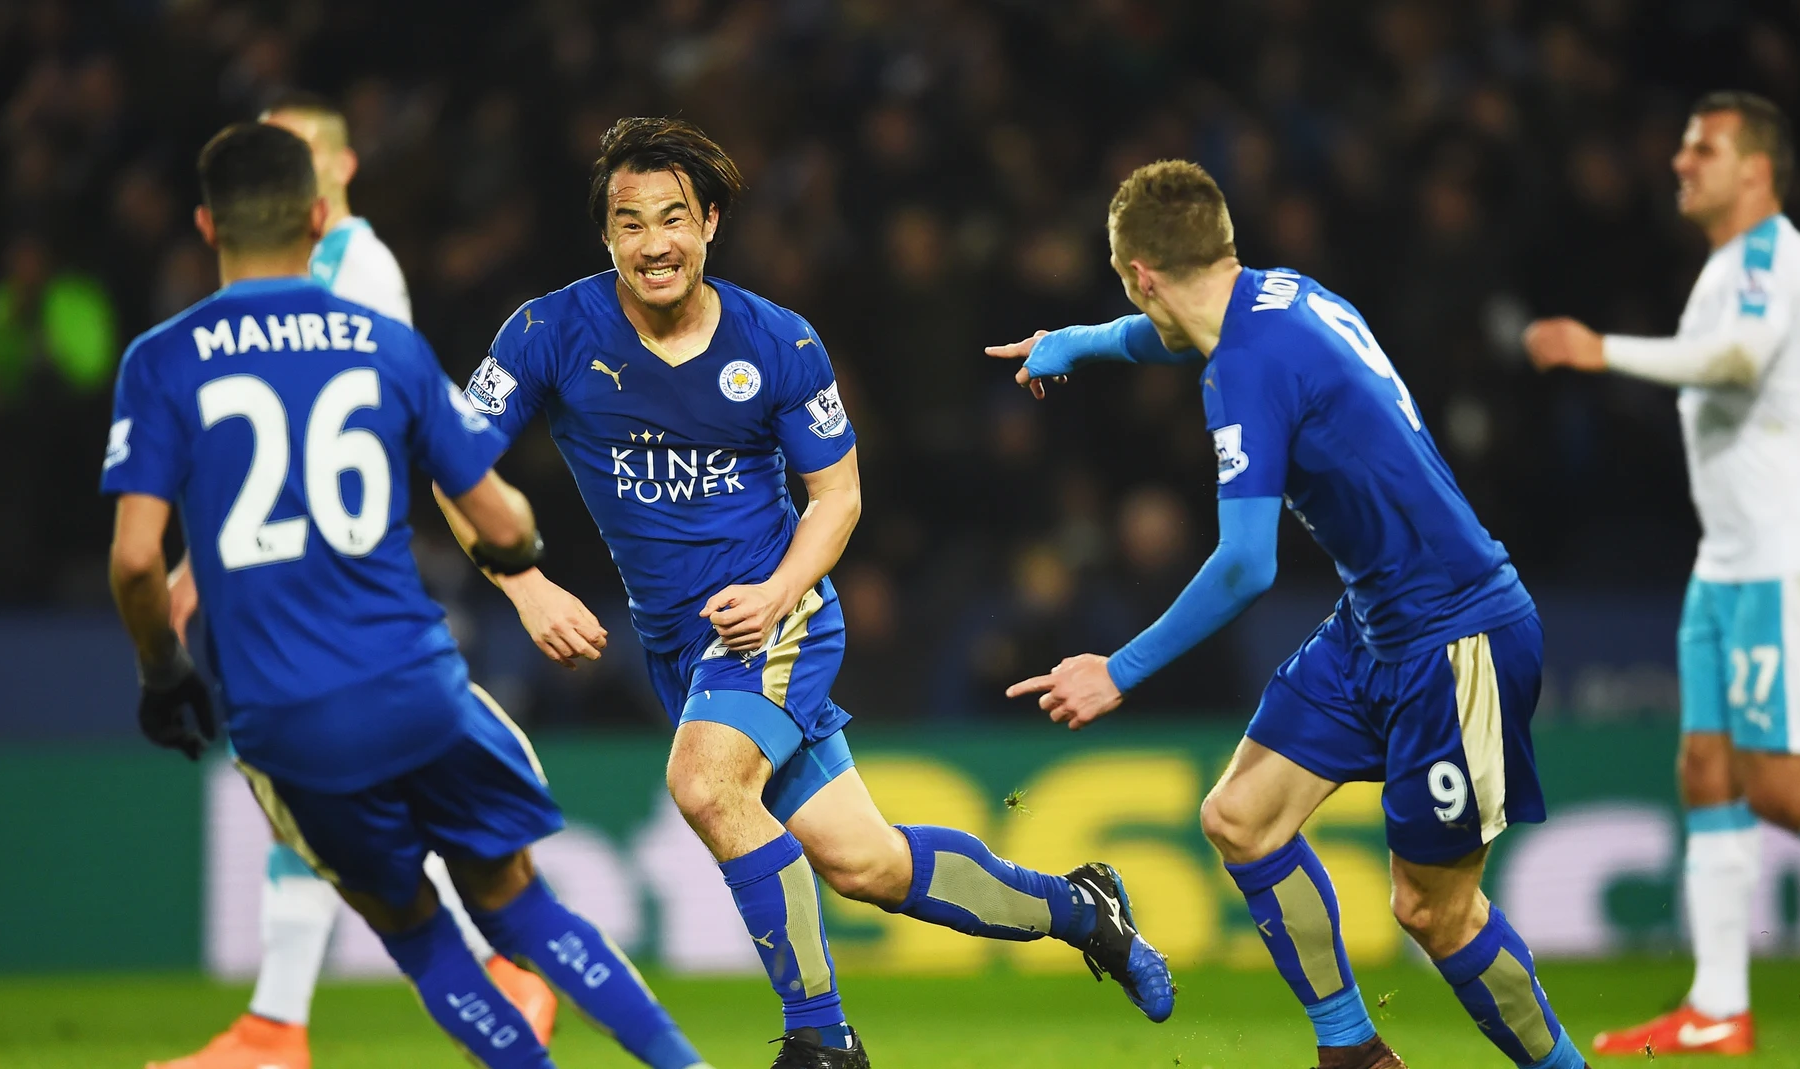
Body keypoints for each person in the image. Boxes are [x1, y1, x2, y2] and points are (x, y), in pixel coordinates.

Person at [446, 116, 1174, 1069]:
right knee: (865, 863)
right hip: (679, 644)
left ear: (710, 222)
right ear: (607, 235)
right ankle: (1085, 909)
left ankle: (823, 1042)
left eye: (673, 218)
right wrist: (525, 584)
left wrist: (778, 587)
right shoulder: (549, 331)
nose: (654, 243)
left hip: (776, 616)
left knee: (705, 784)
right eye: (630, 222)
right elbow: (452, 460)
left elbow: (839, 497)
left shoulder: (779, 341)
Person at [104, 121, 707, 1069]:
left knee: (419, 933)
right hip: (413, 685)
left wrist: (162, 671)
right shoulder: (383, 344)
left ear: (206, 226)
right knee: (523, 907)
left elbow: (137, 559)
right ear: (317, 217)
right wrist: (519, 552)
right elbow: (498, 514)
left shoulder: (162, 359)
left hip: (286, 714)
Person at [991, 160, 1590, 1069]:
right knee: (1241, 817)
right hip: (1376, 621)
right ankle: (1353, 1050)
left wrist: (1117, 669)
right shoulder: (1281, 296)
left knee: (1434, 910)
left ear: (1140, 274)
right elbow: (1170, 335)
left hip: (1457, 634)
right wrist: (1075, 342)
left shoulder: (1244, 370)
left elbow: (1245, 565)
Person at [152, 94, 556, 1069]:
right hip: (299, 570)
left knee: (348, 784)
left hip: (338, 577)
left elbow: (347, 422)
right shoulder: (305, 273)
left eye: (293, 153)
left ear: (339, 170)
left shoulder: (358, 266)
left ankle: (497, 973)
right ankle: (282, 1024)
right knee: (317, 798)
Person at [1526, 91, 1800, 1057]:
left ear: (1755, 169)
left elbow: (1736, 362)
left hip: (1786, 554)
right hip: (1726, 561)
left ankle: (1721, 1004)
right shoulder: (1727, 267)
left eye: (1704, 148)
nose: (1682, 162)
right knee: (1705, 768)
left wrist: (1602, 350)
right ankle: (1719, 1006)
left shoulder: (1774, 260)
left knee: (1779, 783)